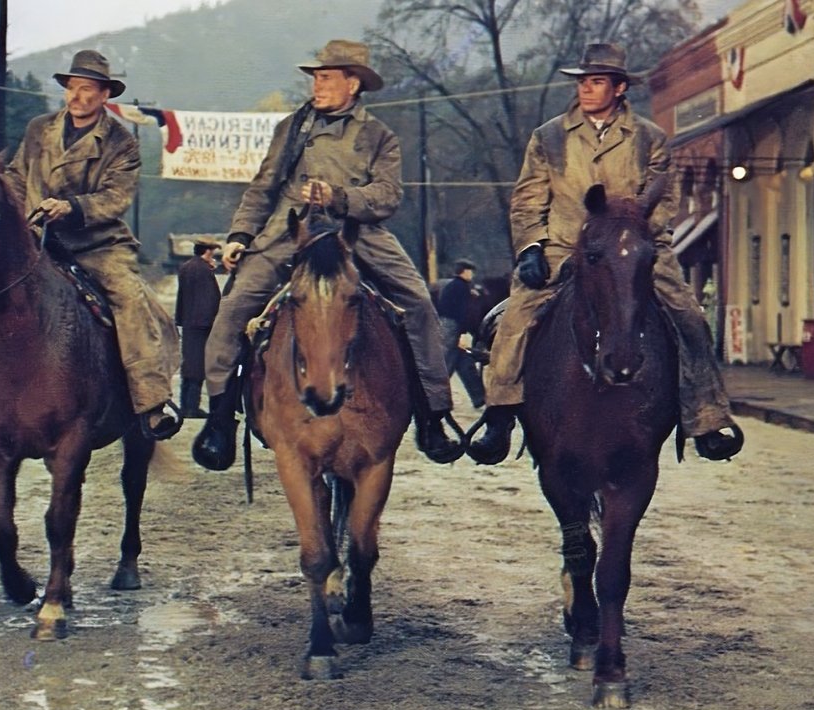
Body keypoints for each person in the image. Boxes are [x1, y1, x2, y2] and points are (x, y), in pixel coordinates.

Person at [191, 39, 464, 471]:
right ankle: (221, 420)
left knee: (418, 303)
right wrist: (241, 234)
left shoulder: (379, 136)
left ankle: (433, 414)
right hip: (289, 229)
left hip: (357, 231)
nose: (316, 85)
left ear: (352, 84)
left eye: (326, 77)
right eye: (315, 78)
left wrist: (339, 197)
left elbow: (388, 195)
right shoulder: (292, 128)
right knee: (233, 307)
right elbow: (263, 187)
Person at [467, 42, 743, 465]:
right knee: (517, 317)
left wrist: (630, 237)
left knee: (688, 316)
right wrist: (530, 247)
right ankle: (500, 414)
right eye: (583, 82)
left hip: (631, 249)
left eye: (596, 83)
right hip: (562, 247)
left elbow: (662, 200)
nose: (586, 90)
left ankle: (705, 416)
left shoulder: (650, 139)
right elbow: (527, 200)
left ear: (618, 89)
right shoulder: (549, 137)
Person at [5, 49, 181, 440]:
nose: (77, 97)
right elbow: (17, 178)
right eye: (72, 88)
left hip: (96, 243)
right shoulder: (38, 129)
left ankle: (151, 399)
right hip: (35, 238)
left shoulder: (121, 143)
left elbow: (115, 198)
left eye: (87, 90)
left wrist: (71, 207)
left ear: (105, 96)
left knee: (130, 298)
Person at [176, 239, 222, 419]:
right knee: (198, 366)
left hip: (189, 322)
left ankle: (185, 404)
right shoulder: (203, 270)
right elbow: (209, 299)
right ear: (208, 251)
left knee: (189, 364)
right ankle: (191, 407)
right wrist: (215, 322)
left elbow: (183, 296)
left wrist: (180, 318)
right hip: (202, 324)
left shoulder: (186, 267)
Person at [436, 259, 487, 408]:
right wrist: (462, 334)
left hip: (446, 325)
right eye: (470, 271)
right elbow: (462, 312)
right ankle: (435, 398)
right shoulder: (461, 287)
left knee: (465, 363)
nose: (472, 274)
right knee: (447, 363)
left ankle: (479, 397)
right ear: (464, 271)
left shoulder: (453, 286)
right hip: (452, 327)